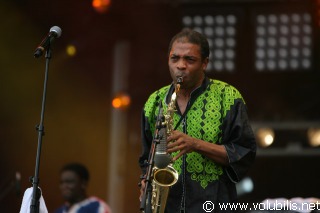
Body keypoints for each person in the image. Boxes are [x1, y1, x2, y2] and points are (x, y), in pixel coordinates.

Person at [138, 29, 257, 212]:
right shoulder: (155, 101)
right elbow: (147, 158)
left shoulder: (228, 97)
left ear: (205, 63)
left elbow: (244, 152)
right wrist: (146, 183)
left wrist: (195, 144)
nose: (180, 65)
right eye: (174, 58)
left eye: (189, 60)